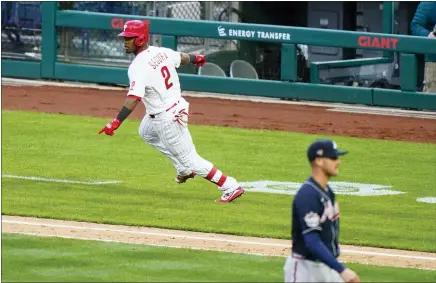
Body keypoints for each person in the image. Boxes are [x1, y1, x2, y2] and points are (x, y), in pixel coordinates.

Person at [98, 20, 245, 203]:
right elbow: (181, 57)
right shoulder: (160, 52)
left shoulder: (137, 66)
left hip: (166, 116)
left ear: (140, 38)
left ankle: (230, 186)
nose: (125, 41)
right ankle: (183, 169)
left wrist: (116, 122)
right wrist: (196, 58)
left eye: (129, 38)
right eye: (125, 38)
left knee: (191, 159)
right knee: (146, 132)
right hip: (172, 107)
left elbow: (134, 98)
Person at [284, 139, 360, 282]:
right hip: (304, 271)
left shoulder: (327, 191)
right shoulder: (307, 195)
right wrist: (341, 270)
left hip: (327, 266)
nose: (338, 162)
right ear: (318, 161)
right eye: (333, 158)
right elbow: (312, 240)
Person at [410, 1, 436, 94]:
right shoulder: (429, 3)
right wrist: (428, 35)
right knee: (431, 101)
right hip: (434, 61)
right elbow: (415, 26)